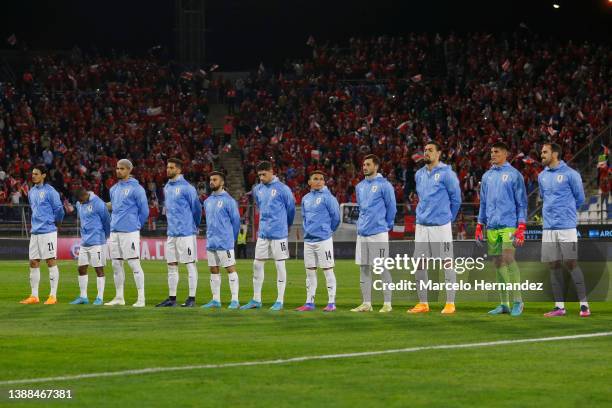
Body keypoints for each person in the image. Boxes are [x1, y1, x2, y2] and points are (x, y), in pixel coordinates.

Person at [475, 142, 528, 316]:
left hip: (509, 224)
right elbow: (483, 202)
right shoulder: (487, 176)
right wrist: (480, 224)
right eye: (491, 152)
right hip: (492, 226)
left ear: (505, 153)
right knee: (498, 263)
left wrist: (521, 226)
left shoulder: (514, 175)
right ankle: (504, 304)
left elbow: (522, 203)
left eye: (496, 152)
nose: (492, 154)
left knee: (508, 258)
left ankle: (518, 301)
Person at [408, 142, 461, 314]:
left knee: (447, 263)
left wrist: (447, 218)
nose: (426, 152)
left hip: (441, 226)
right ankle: (423, 303)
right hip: (422, 225)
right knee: (419, 264)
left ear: (439, 153)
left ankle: (450, 303)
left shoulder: (447, 174)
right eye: (425, 150)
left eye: (430, 150)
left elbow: (456, 200)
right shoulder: (419, 174)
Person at [538, 143, 590, 317]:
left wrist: (565, 214)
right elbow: (544, 197)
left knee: (571, 263)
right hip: (548, 228)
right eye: (542, 152)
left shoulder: (571, 174)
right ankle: (559, 307)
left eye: (545, 152)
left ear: (555, 153)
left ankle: (584, 305)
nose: (542, 155)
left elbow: (580, 198)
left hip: (566, 227)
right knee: (553, 265)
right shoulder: (541, 176)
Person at [241, 161, 295, 311]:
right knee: (257, 264)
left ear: (272, 172)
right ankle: (256, 299)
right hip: (263, 234)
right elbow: (260, 206)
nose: (261, 177)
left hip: (279, 234)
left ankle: (279, 300)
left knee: (279, 265)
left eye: (264, 174)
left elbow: (291, 210)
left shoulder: (283, 189)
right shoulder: (257, 189)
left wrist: (286, 226)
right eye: (259, 175)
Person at [351, 154, 397, 313]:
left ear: (376, 166)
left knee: (382, 268)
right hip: (362, 233)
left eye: (368, 164)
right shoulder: (360, 186)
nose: (364, 167)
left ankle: (387, 304)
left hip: (378, 233)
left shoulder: (385, 185)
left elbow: (392, 208)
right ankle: (366, 303)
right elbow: (362, 208)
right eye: (363, 164)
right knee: (364, 268)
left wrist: (386, 225)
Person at [156, 158, 202, 308]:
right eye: (167, 167)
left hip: (186, 233)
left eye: (171, 167)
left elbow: (196, 209)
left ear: (179, 170)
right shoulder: (167, 187)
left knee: (190, 265)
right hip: (172, 233)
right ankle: (172, 298)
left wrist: (193, 225)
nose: (167, 170)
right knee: (171, 266)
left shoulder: (187, 187)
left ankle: (191, 299)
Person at [104, 159, 149, 307]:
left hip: (129, 232)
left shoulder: (137, 189)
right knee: (116, 264)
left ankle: (141, 298)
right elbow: (115, 207)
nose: (118, 171)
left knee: (134, 264)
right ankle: (119, 297)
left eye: (122, 168)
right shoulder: (113, 189)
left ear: (129, 170)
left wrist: (136, 225)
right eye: (117, 168)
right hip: (115, 231)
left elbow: (144, 211)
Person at [296, 170, 340, 312]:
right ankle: (309, 302)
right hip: (308, 240)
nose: (319, 181)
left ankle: (331, 303)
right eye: (315, 178)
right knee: (310, 272)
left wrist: (326, 230)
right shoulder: (305, 198)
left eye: (321, 179)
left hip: (323, 240)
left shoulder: (329, 198)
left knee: (327, 270)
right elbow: (304, 216)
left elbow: (336, 218)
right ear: (309, 182)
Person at [20, 166, 65, 305]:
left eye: (36, 174)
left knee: (50, 261)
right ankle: (34, 296)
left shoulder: (50, 191)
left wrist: (56, 224)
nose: (33, 176)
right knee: (33, 262)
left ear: (43, 175)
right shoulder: (31, 192)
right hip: (35, 232)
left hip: (48, 231)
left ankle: (53, 296)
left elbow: (59, 210)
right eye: (32, 173)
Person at [201, 171, 241, 309]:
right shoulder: (207, 201)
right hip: (211, 242)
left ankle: (235, 300)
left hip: (225, 242)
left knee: (230, 269)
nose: (211, 182)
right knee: (213, 270)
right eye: (210, 179)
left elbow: (236, 222)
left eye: (215, 179)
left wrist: (232, 239)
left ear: (222, 182)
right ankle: (215, 300)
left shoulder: (229, 201)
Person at [69, 188, 111, 305]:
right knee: (81, 268)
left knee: (98, 269)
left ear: (85, 194)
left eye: (81, 200)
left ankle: (100, 298)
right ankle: (83, 297)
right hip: (84, 242)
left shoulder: (98, 203)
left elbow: (107, 220)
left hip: (97, 241)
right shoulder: (79, 203)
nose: (80, 203)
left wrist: (106, 235)